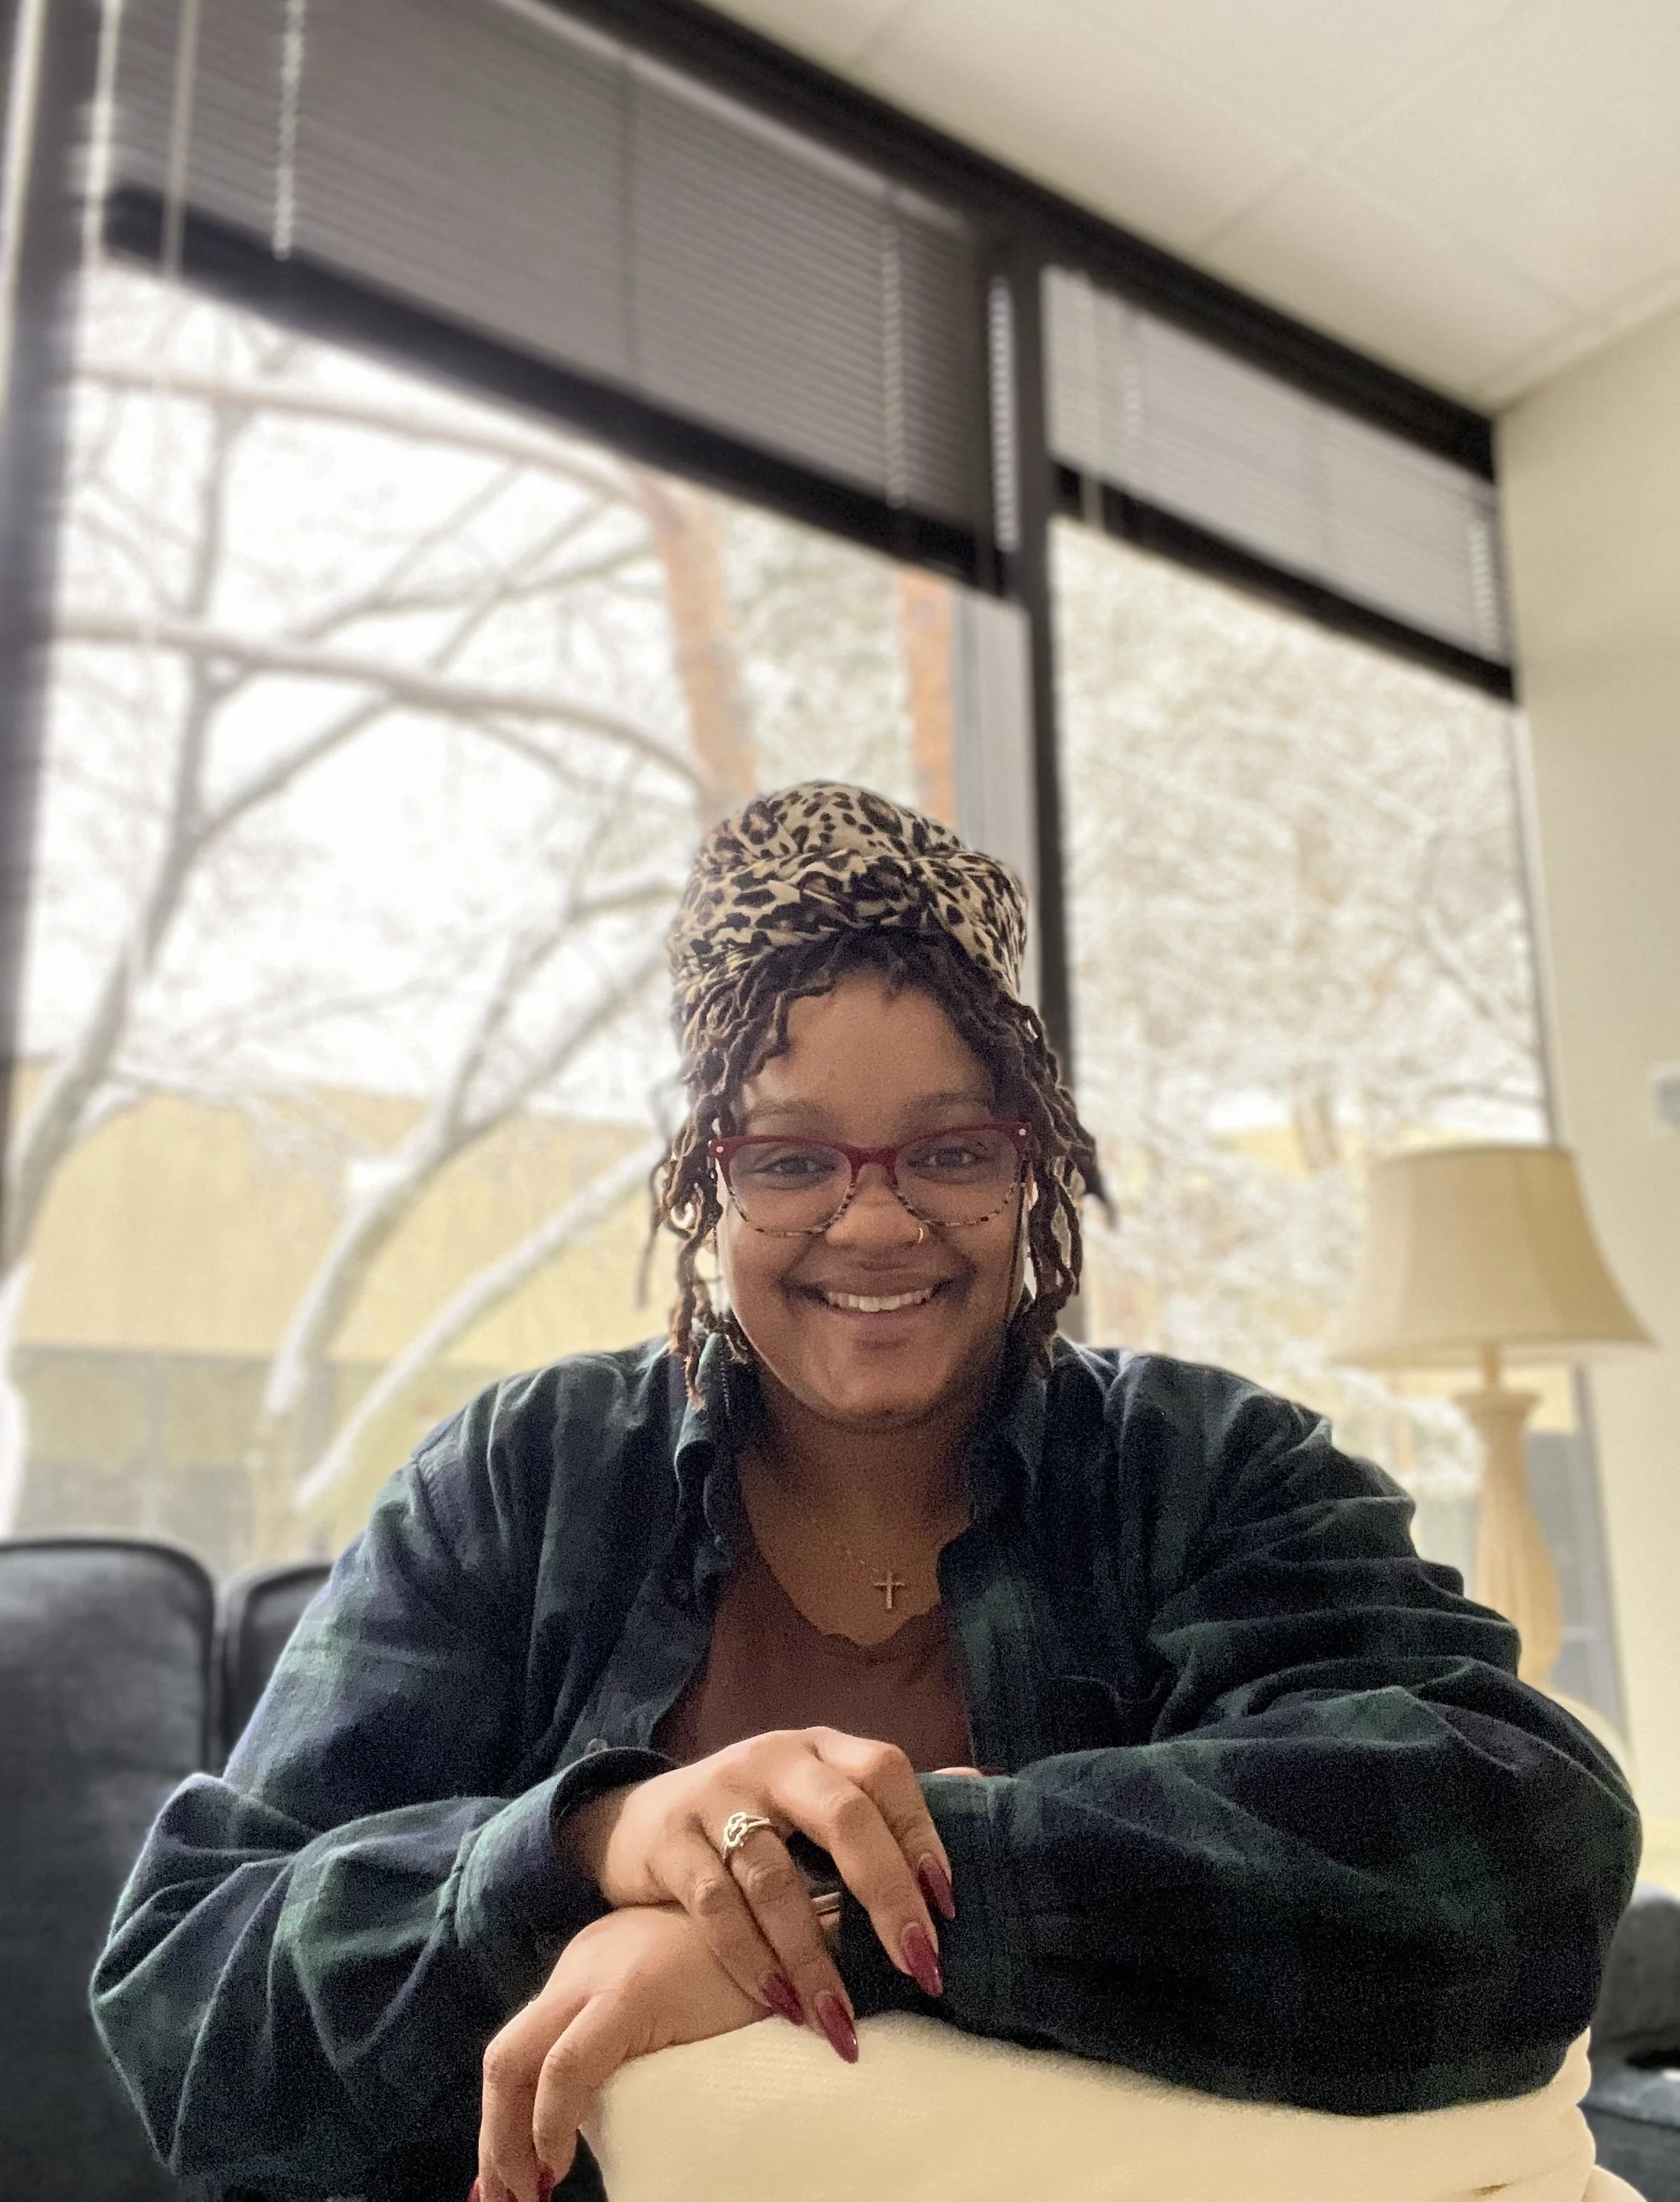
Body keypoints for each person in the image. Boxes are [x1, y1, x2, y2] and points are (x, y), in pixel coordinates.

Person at [93, 783, 1639, 2202]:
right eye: (793, 1159)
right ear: (710, 1177)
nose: (877, 1220)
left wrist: (833, 1911)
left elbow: (1523, 1839)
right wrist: (598, 1849)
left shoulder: (1207, 1469)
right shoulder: (522, 1484)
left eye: (949, 1148)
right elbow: (190, 2003)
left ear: (1029, 1160)